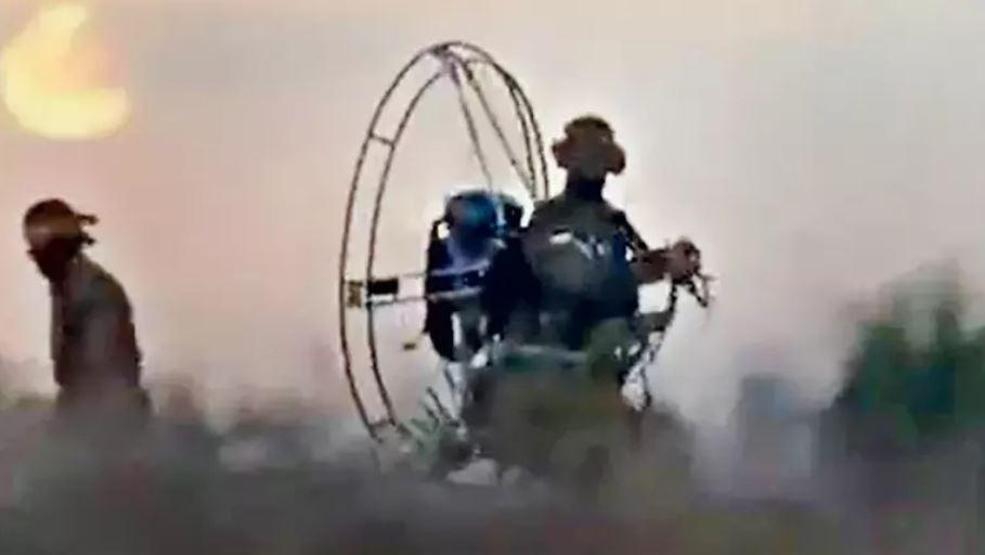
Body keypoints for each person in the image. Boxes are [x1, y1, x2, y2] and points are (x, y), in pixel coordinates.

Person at [467, 116, 702, 488]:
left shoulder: (613, 223)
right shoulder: (546, 219)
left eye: (598, 160)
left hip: (593, 356)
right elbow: (529, 277)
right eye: (586, 158)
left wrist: (670, 264)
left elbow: (625, 275)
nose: (592, 170)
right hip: (543, 353)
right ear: (570, 162)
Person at [23, 199, 150, 434]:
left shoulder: (97, 292)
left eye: (43, 250)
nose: (38, 261)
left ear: (63, 247)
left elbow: (100, 371)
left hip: (111, 424)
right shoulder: (65, 288)